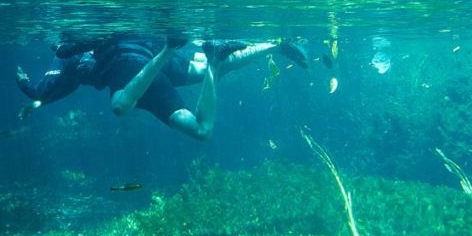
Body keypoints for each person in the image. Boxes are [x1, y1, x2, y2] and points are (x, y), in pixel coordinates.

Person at [16, 35, 307, 140]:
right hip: (151, 63)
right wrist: (31, 90)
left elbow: (49, 87)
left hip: (131, 66)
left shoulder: (70, 53)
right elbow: (52, 89)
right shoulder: (73, 52)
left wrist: (27, 86)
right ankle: (276, 45)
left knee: (119, 106)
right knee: (202, 120)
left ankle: (172, 49)